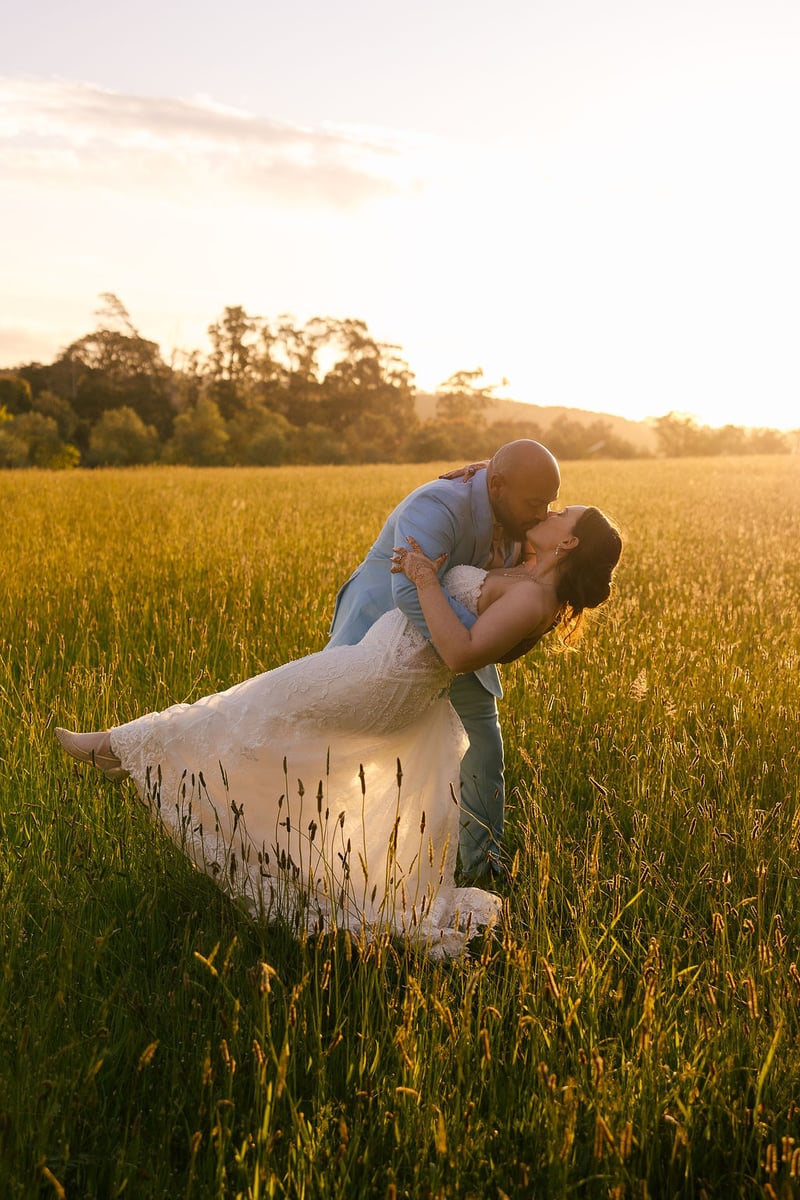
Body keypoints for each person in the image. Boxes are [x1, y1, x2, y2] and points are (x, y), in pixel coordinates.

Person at [55, 503, 621, 958]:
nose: (551, 510)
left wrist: (425, 577)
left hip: (381, 677)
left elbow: (460, 652)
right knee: (271, 733)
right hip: (384, 665)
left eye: (563, 514)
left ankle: (124, 747)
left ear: (568, 542)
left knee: (249, 711)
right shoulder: (525, 574)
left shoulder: (532, 598)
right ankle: (159, 769)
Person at [327, 439, 561, 884]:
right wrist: (469, 641)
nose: (544, 514)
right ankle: (330, 853)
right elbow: (409, 590)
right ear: (496, 486)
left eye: (550, 504)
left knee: (483, 744)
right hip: (382, 628)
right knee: (340, 738)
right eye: (536, 503)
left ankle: (482, 866)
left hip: (457, 637)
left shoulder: (524, 515)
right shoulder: (437, 503)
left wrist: (489, 639)